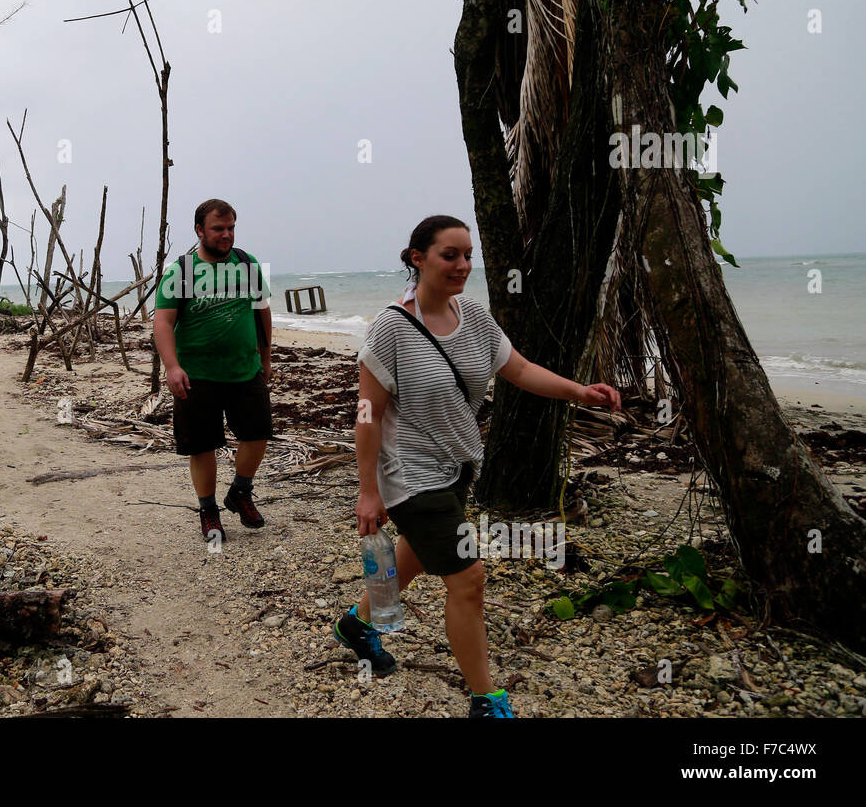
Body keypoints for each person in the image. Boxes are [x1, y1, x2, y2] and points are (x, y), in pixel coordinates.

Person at [334, 215, 622, 718]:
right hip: (407, 472)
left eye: (468, 254)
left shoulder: (476, 318)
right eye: (450, 255)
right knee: (468, 577)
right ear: (418, 258)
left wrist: (580, 392)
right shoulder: (391, 329)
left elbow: (520, 369)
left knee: (419, 555)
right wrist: (367, 491)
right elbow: (367, 412)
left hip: (458, 466)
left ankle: (358, 624)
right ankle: (486, 699)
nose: (463, 265)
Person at [154, 199, 274, 543]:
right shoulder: (182, 271)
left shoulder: (247, 265)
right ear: (199, 231)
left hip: (244, 370)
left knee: (257, 434)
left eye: (231, 228)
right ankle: (208, 511)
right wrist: (172, 366)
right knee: (202, 446)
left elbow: (262, 313)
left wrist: (266, 358)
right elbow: (163, 321)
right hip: (197, 375)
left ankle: (240, 491)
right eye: (219, 229)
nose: (226, 235)